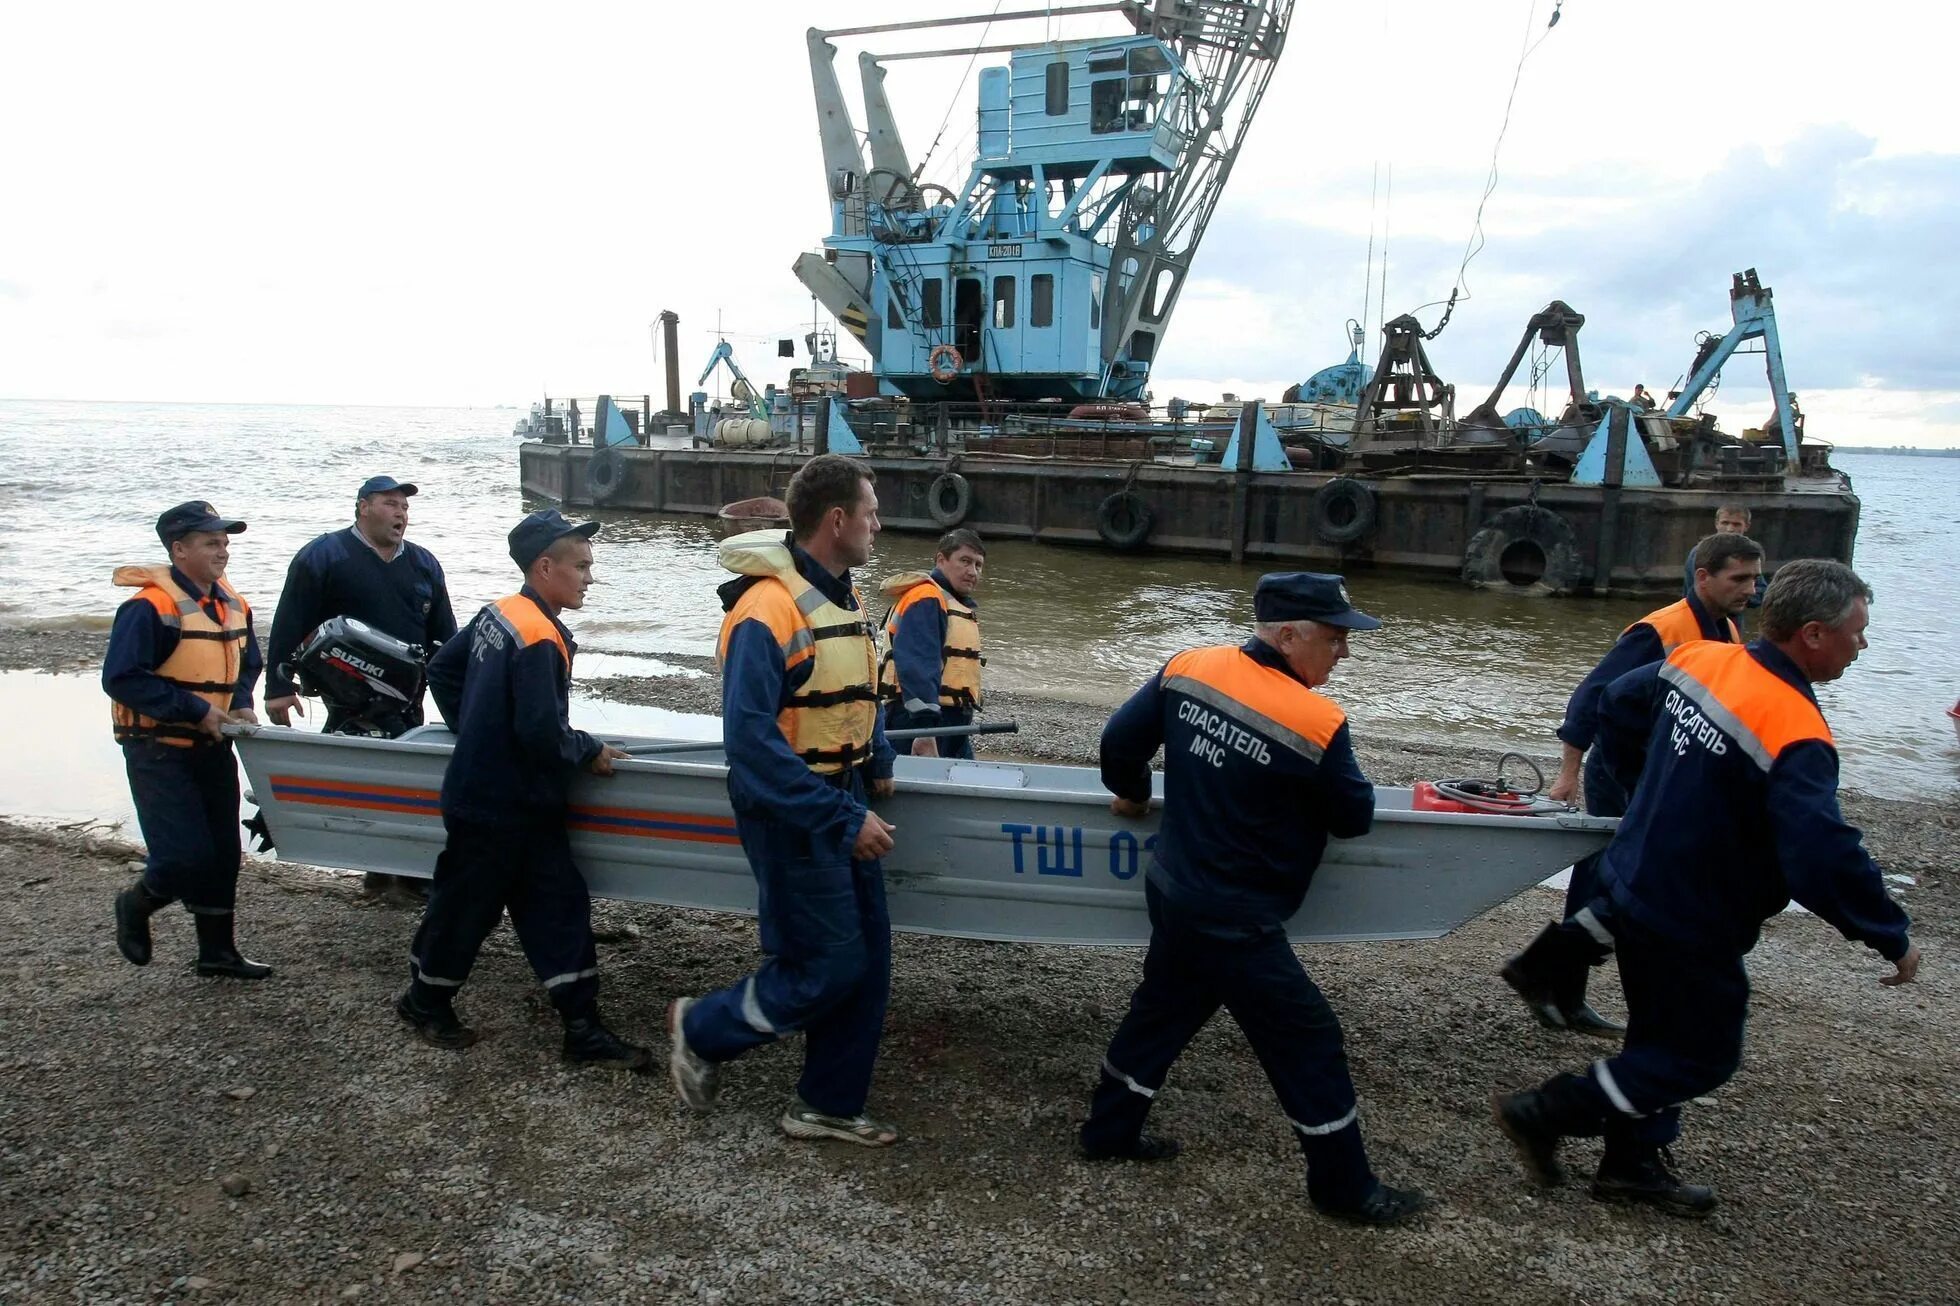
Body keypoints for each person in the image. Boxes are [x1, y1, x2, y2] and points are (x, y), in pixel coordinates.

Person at [1493, 560, 1917, 1216]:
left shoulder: (1701, 659)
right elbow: (1822, 856)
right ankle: (1546, 1111)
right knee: (1699, 1055)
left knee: (1657, 1037)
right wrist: (1890, 935)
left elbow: (1620, 705)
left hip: (1637, 883)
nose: (1862, 646)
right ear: (1811, 634)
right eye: (1857, 633)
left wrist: (1654, 790)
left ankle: (1631, 1163)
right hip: (1692, 918)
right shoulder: (1796, 731)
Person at [1079, 573, 1431, 1227]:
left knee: (1163, 1010)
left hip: (1173, 888)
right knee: (1309, 1039)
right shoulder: (1316, 720)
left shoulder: (1188, 667)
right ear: (1289, 634)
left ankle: (1108, 1131)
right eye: (1335, 638)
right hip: (1237, 916)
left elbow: (1118, 744)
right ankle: (1344, 1188)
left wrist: (1130, 792)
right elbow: (1354, 816)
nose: (1343, 654)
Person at [667, 454, 902, 1146]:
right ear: (837, 521)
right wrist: (838, 815)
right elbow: (750, 744)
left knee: (869, 959)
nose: (877, 524)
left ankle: (827, 1103)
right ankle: (702, 1030)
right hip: (794, 809)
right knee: (826, 964)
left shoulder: (845, 594)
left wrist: (877, 758)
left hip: (844, 792)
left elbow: (863, 681)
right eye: (870, 513)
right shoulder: (766, 610)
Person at [393, 510, 646, 1069]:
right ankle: (423, 1002)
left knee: (557, 905)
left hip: (510, 801)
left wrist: (476, 726)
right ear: (544, 566)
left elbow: (442, 668)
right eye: (580, 566)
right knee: (466, 909)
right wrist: (588, 750)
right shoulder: (537, 635)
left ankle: (582, 1030)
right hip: (497, 806)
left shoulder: (498, 613)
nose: (588, 577)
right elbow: (539, 731)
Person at [1503, 532, 1765, 1034]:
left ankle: (1556, 982)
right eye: (1739, 578)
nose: (1750, 589)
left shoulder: (1728, 629)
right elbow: (1592, 697)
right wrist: (1568, 773)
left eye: (1755, 578)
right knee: (1610, 876)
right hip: (1620, 769)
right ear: (1703, 576)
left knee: (1618, 878)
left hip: (1660, 770)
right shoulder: (1660, 631)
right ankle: (1561, 986)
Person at [264, 475, 456, 898]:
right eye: (390, 504)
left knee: (413, 777)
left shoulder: (424, 563)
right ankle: (374, 867)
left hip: (409, 692)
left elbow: (444, 634)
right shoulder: (323, 555)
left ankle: (409, 872)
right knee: (364, 778)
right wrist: (278, 686)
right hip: (345, 692)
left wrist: (461, 696)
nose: (401, 513)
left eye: (404, 507)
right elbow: (289, 622)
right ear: (363, 507)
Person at [105, 501, 270, 979]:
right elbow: (122, 678)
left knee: (222, 853)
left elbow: (248, 661)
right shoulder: (147, 608)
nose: (223, 551)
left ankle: (217, 953)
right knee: (182, 857)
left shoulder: (233, 603)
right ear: (179, 550)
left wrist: (240, 699)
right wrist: (196, 710)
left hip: (214, 746)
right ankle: (136, 903)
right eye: (211, 542)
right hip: (159, 749)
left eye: (224, 542)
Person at [879, 528, 987, 760]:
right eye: (965, 561)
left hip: (948, 720)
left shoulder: (947, 600)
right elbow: (918, 664)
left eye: (978, 565)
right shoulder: (927, 598)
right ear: (941, 560)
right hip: (919, 721)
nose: (972, 572)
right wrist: (925, 731)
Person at [1681, 504, 1767, 612]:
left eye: (1736, 524)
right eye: (1725, 523)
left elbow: (1761, 591)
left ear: (1747, 526)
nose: (1730, 529)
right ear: (1717, 523)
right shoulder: (1702, 552)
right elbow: (1701, 590)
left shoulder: (1748, 554)